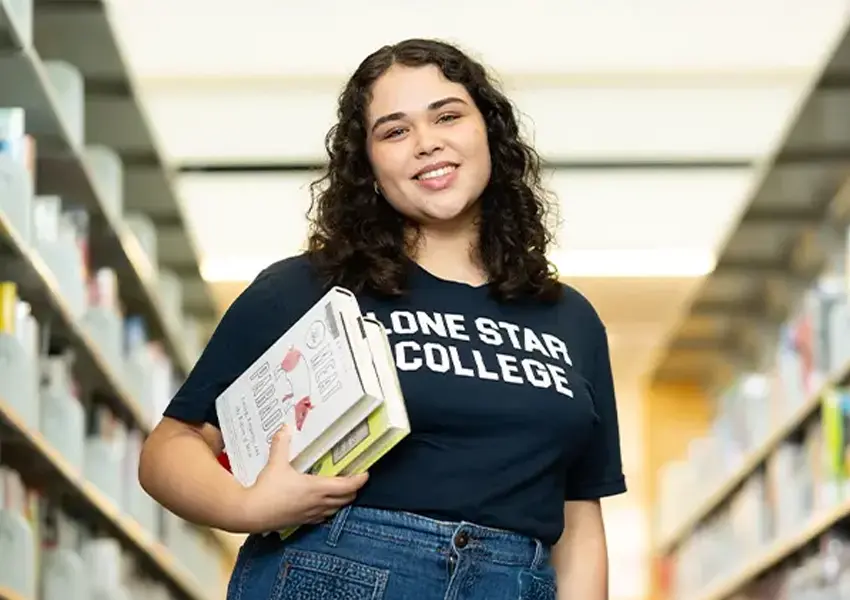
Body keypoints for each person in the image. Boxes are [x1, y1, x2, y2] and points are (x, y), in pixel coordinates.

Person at [138, 38, 626, 600]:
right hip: (336, 574)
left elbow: (578, 514)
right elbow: (169, 447)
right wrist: (246, 506)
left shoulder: (569, 319)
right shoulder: (307, 288)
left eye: (447, 116)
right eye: (395, 131)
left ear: (490, 133)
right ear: (367, 165)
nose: (427, 142)